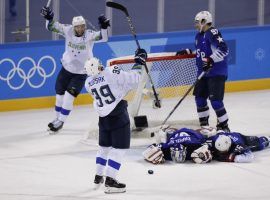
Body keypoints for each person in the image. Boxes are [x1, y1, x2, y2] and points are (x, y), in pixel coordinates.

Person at [84, 49, 147, 194]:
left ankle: (98, 176)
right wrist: (138, 62)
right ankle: (110, 181)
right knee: (119, 149)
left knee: (104, 148)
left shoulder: (88, 83)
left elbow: (112, 86)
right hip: (118, 115)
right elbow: (134, 78)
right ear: (98, 66)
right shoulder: (111, 71)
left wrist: (122, 88)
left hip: (103, 118)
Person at [40, 6, 110, 133]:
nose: (80, 29)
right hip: (66, 70)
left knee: (68, 97)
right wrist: (49, 18)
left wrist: (104, 27)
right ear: (73, 27)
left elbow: (103, 38)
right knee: (59, 96)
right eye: (78, 26)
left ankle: (61, 121)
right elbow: (50, 27)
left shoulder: (89, 35)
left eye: (82, 26)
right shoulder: (67, 30)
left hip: (80, 73)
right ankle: (56, 119)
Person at [176, 11, 230, 132]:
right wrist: (189, 52)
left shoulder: (212, 32)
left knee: (216, 102)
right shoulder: (198, 36)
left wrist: (211, 60)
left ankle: (224, 126)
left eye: (197, 22)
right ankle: (204, 126)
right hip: (203, 73)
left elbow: (224, 49)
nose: (195, 25)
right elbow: (202, 53)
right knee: (200, 99)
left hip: (216, 73)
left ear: (204, 21)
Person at [142, 126, 213, 164]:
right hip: (189, 134)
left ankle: (167, 128)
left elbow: (151, 148)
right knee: (204, 133)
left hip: (190, 134)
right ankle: (167, 129)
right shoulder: (194, 146)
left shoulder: (167, 150)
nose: (179, 158)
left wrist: (152, 155)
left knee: (168, 132)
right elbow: (208, 145)